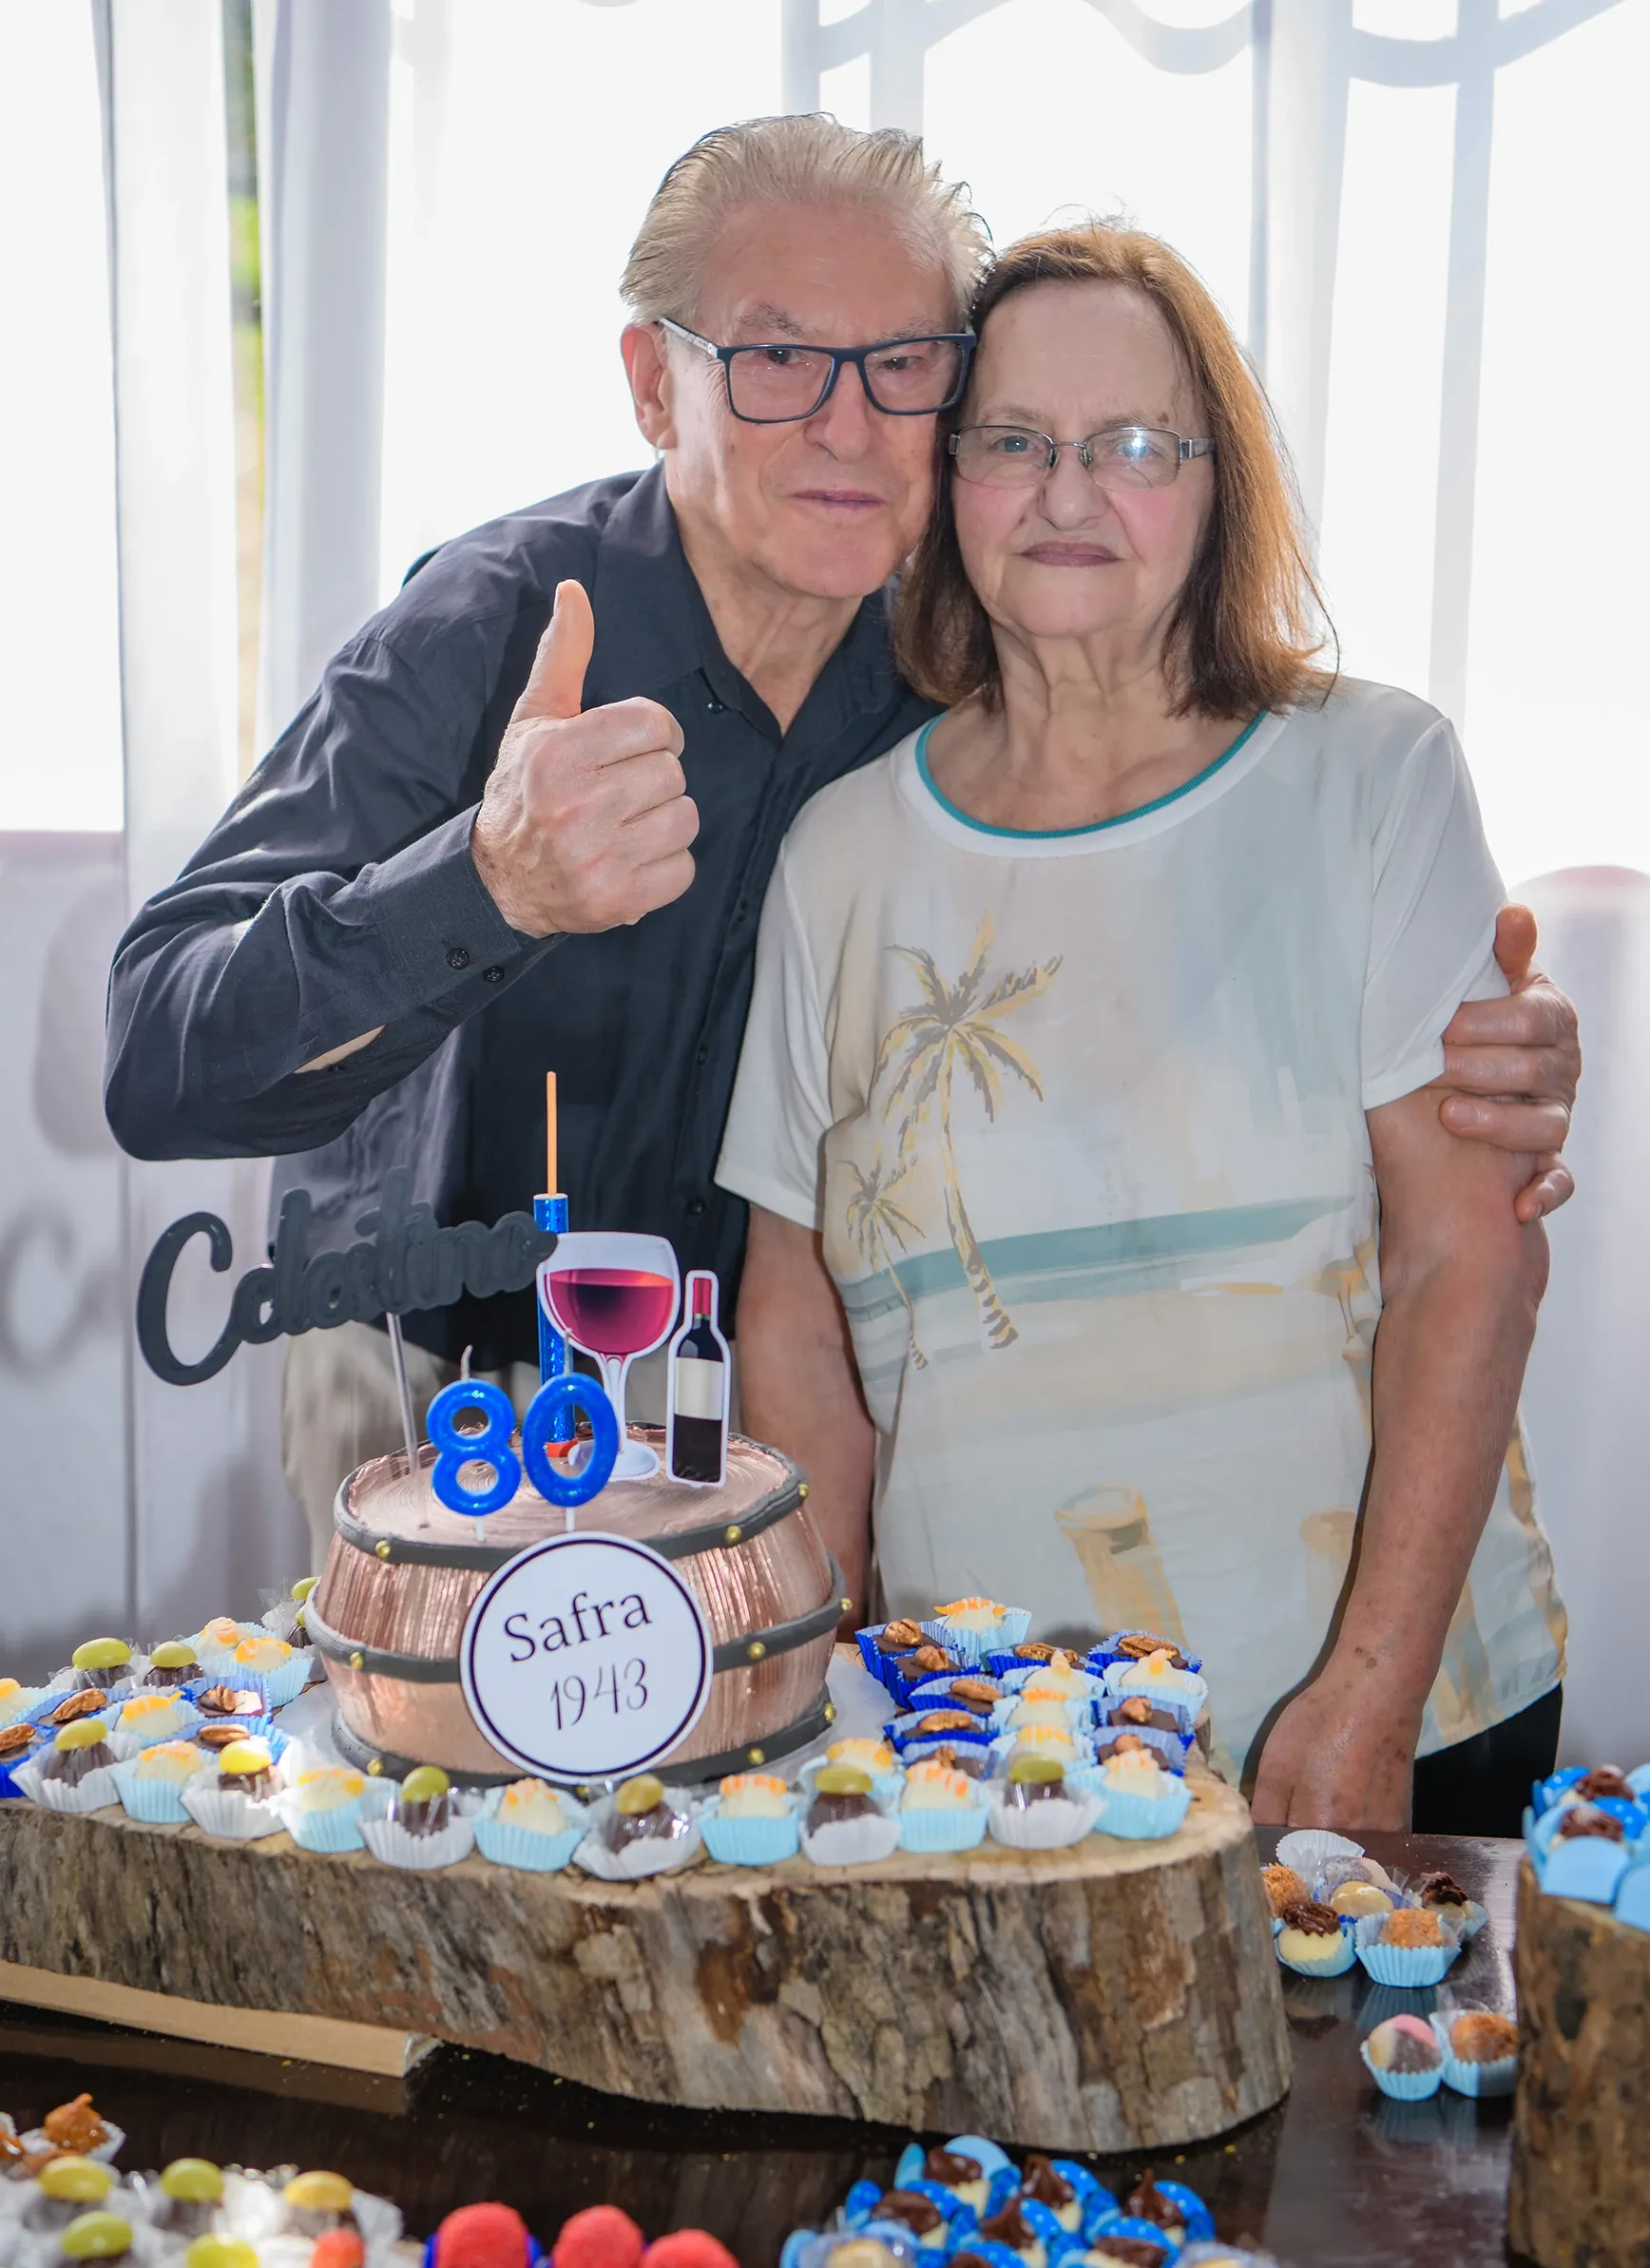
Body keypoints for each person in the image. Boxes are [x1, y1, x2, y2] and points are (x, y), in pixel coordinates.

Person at [104, 118, 1578, 1586]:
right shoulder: (492, 626)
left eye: (904, 364)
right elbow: (160, 1050)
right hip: (456, 1401)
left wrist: (1445, 1055)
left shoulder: (979, 658)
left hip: (802, 1420)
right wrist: (487, 884)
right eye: (777, 358)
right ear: (653, 384)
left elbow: (1182, 902)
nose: (850, 424)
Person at [719, 221, 1570, 1836]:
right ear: (950, 479)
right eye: (1013, 442)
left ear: (1217, 483)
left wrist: (1370, 1688)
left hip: (1373, 1711)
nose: (1067, 493)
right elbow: (798, 1324)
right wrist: (812, 1690)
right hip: (980, 1746)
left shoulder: (1373, 777)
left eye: (1131, 445)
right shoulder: (841, 851)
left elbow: (1471, 1261)